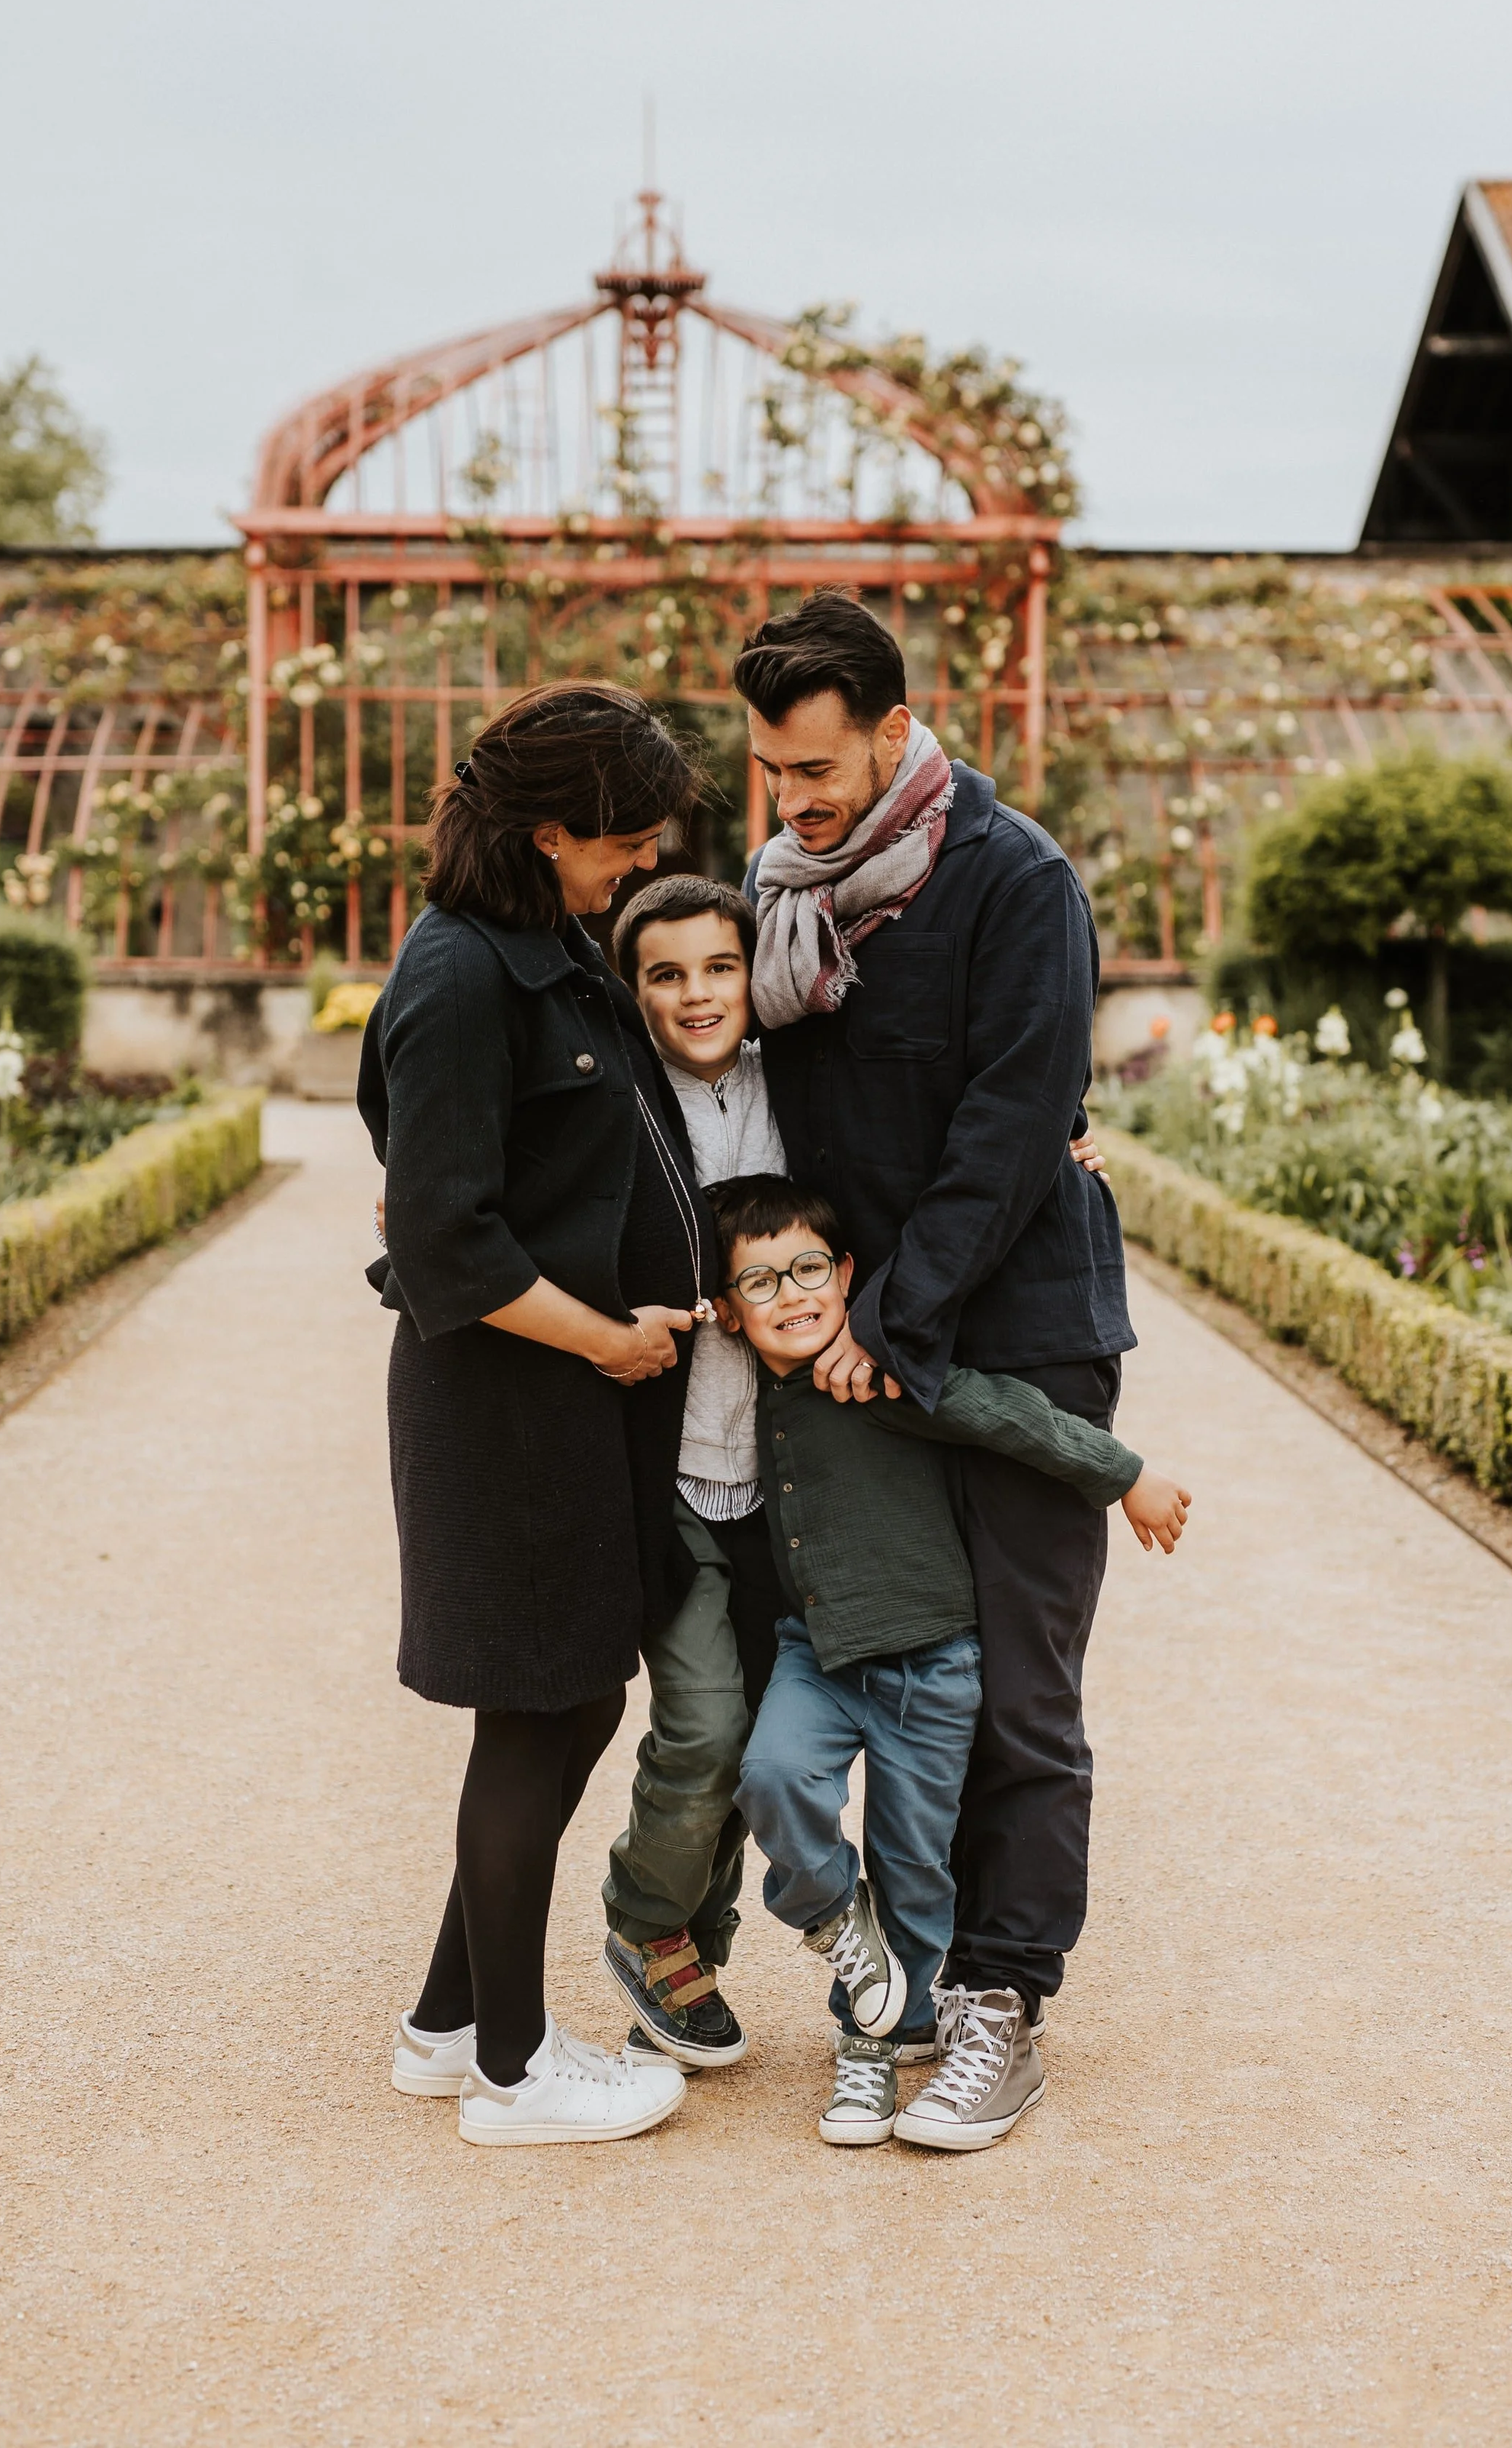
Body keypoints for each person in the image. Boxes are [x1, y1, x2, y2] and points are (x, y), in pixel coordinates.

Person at [738, 587, 1140, 2150]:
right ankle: (905, 1976)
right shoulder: (789, 892)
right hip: (867, 1345)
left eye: (816, 769)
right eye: (772, 771)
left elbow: (1010, 1132)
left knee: (1024, 1690)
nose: (791, 801)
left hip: (1016, 1332)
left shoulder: (1014, 880)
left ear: (897, 731)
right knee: (893, 1664)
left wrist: (881, 1324)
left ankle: (999, 2004)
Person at [358, 681, 711, 2150]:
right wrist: (611, 1341)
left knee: (573, 1691)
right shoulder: (454, 979)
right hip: (513, 1402)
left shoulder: (542, 947)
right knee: (542, 1700)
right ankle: (512, 2072)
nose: (639, 866)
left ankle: (449, 2023)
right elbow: (443, 1240)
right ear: (551, 830)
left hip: (575, 1402)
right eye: (623, 843)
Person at [713, 1173, 1189, 2148]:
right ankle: (838, 1929)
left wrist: (1127, 1474)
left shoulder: (878, 1375)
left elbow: (1009, 1415)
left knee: (915, 1864)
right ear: (726, 1312)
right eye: (759, 1284)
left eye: (809, 1269)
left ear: (848, 1275)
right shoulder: (739, 1386)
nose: (792, 1295)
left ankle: (876, 2047)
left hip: (932, 1663)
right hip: (820, 1654)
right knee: (769, 1776)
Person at [596, 874, 788, 2066]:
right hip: (668, 1470)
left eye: (718, 967)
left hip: (788, 1477)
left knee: (763, 1738)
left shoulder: (797, 1087)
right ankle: (646, 1919)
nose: (696, 993)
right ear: (634, 991)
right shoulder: (615, 1104)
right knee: (705, 1722)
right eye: (665, 974)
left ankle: (689, 1950)